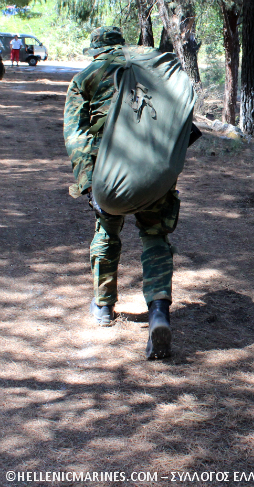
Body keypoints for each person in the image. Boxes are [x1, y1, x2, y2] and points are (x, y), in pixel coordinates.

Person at [63, 27, 179, 360]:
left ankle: (103, 306)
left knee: (107, 233)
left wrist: (87, 180)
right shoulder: (150, 70)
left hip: (109, 176)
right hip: (153, 173)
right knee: (155, 238)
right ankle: (159, 311)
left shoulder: (85, 78)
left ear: (96, 50)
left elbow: (77, 136)